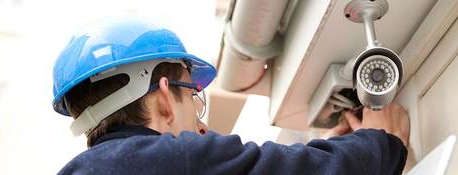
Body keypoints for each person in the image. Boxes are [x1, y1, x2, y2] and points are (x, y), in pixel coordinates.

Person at [53, 17, 410, 175]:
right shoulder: (172, 159)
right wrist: (381, 141)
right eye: (192, 98)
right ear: (164, 98)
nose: (203, 126)